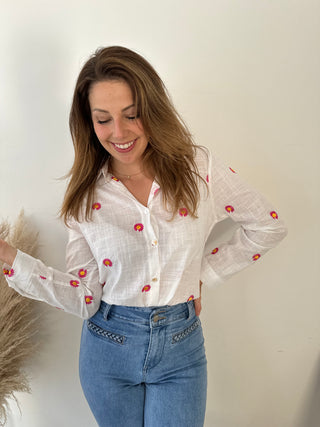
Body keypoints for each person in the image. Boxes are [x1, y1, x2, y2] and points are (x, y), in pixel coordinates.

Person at [0, 46, 287, 427]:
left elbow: (267, 225)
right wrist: (8, 256)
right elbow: (84, 298)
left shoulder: (198, 169)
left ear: (152, 110)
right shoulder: (86, 196)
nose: (119, 133)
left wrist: (203, 274)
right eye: (103, 120)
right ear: (89, 123)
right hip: (108, 349)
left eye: (132, 115)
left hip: (181, 348)